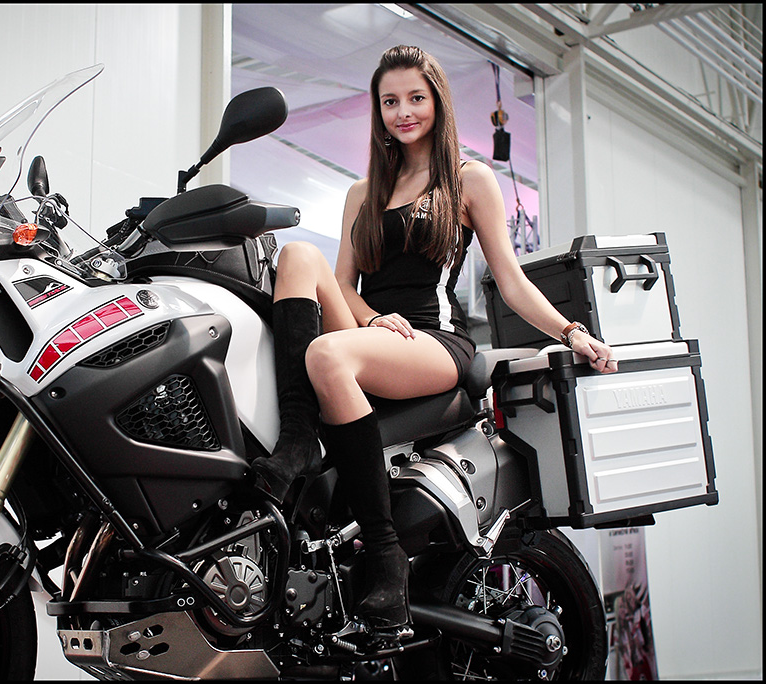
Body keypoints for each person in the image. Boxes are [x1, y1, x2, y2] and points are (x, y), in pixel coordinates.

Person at [250, 45, 617, 632]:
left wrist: (572, 332)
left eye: (415, 98)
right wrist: (372, 320)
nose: (403, 112)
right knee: (295, 254)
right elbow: (341, 286)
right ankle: (298, 442)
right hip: (375, 333)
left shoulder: (469, 179)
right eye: (390, 101)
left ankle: (384, 551)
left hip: (435, 342)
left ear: (437, 103)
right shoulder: (362, 193)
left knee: (326, 352)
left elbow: (511, 282)